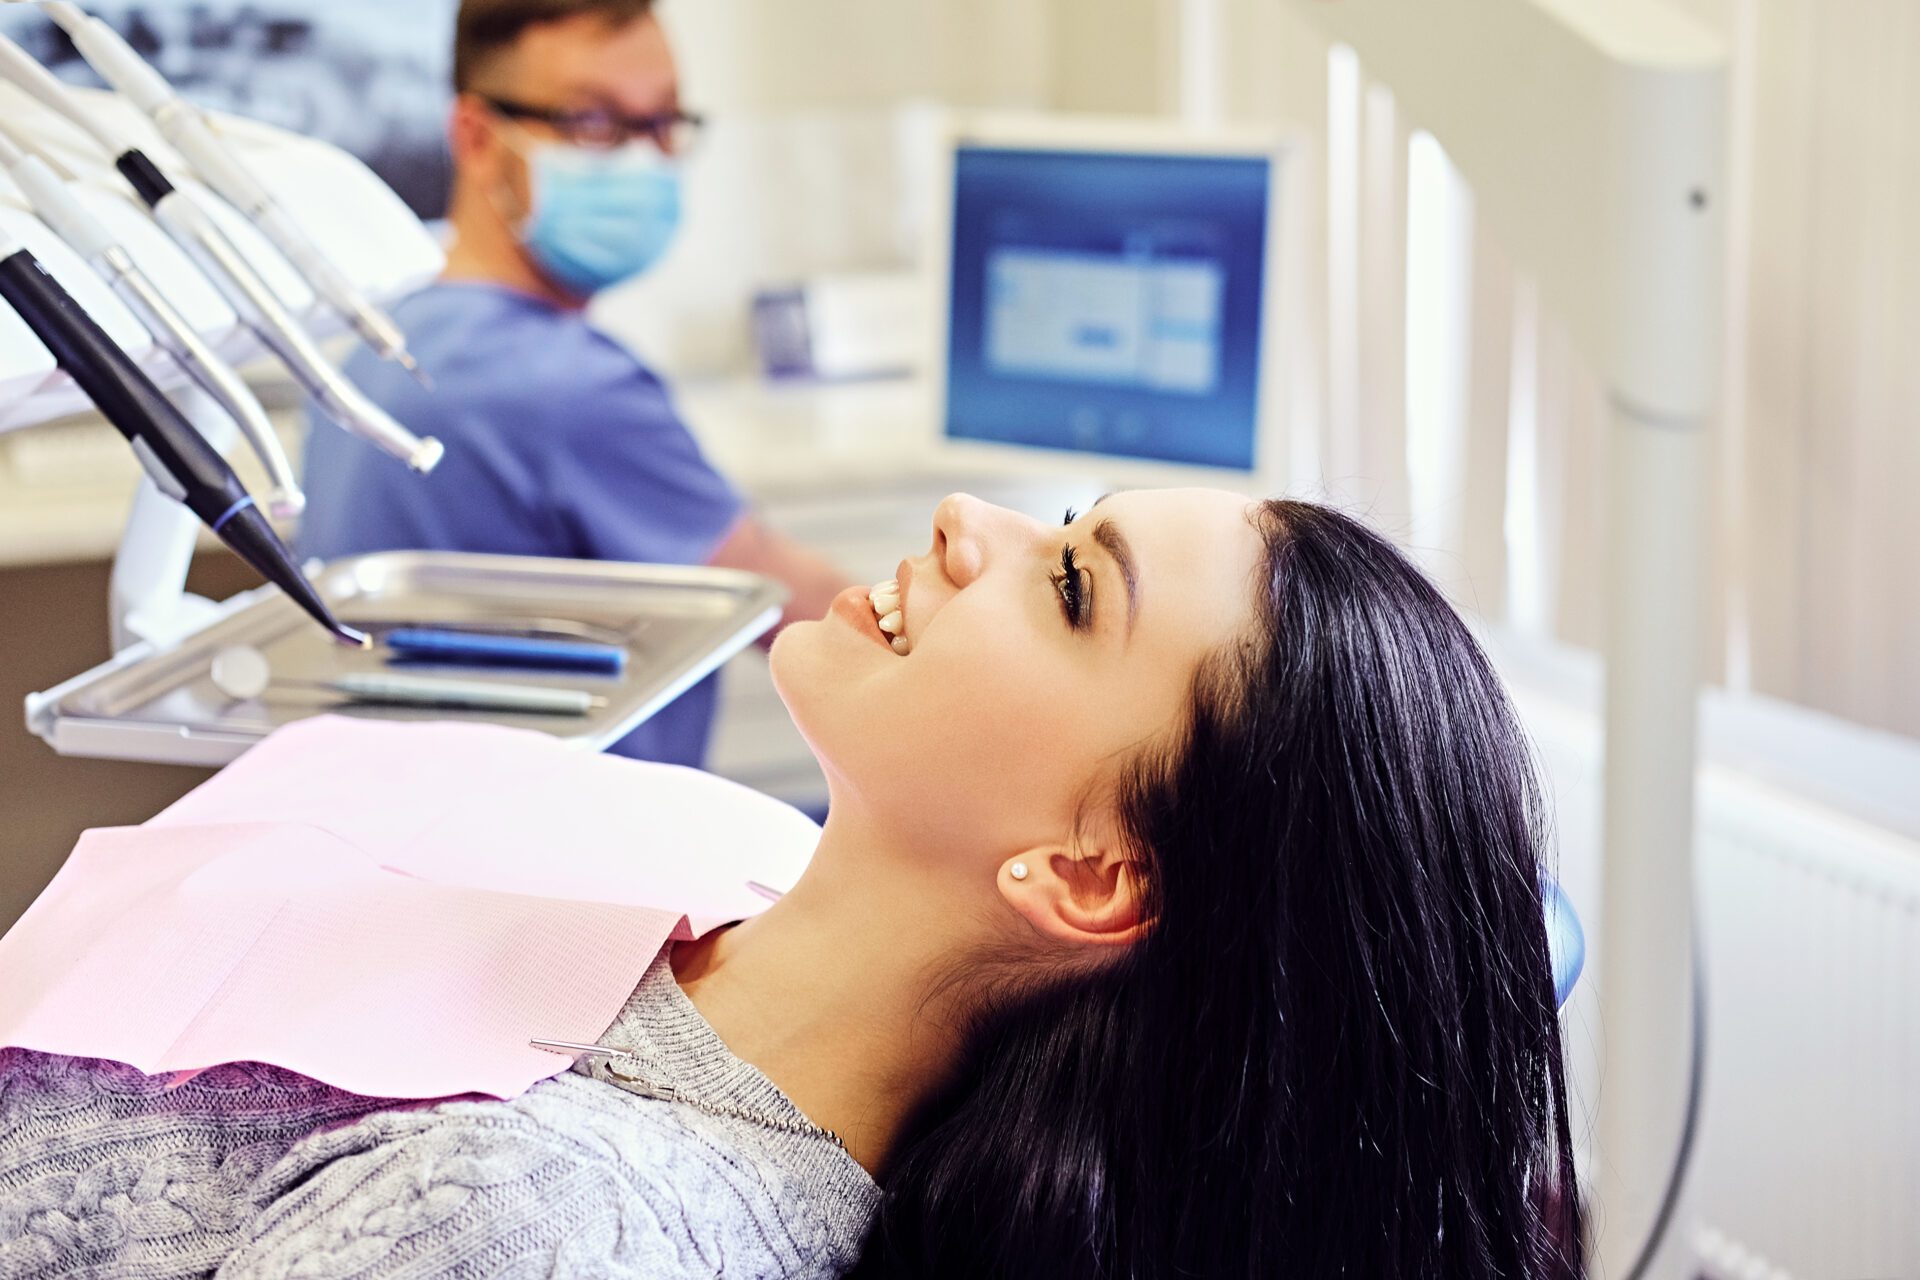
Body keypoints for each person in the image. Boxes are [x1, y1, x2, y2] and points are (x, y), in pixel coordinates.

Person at [0, 491, 1584, 1279]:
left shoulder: (550, 1226)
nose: (971, 522)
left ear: (1090, 877)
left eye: (1072, 586)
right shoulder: (732, 856)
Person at [298, 0, 847, 769]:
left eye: (662, 122)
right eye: (594, 123)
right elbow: (820, 630)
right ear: (477, 138)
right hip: (585, 862)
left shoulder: (382, 346)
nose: (641, 159)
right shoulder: (566, 388)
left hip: (419, 837)